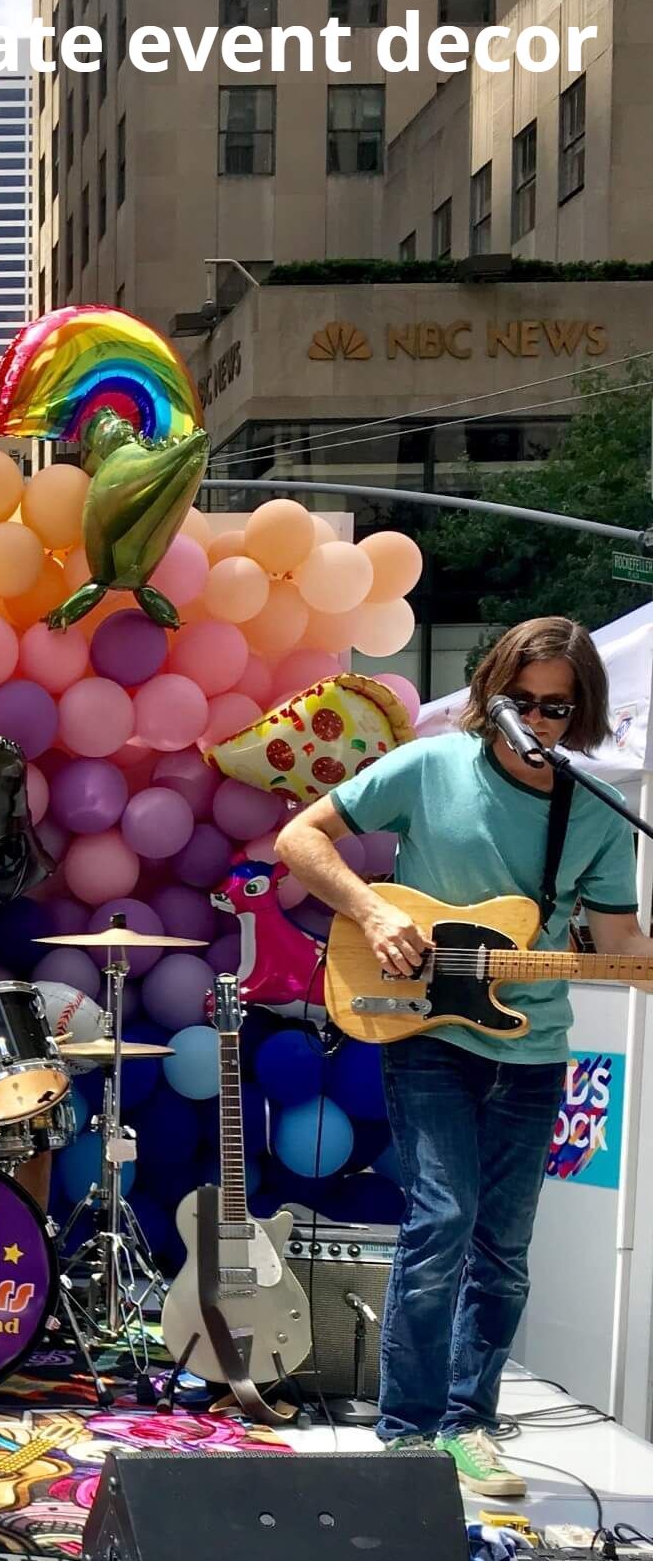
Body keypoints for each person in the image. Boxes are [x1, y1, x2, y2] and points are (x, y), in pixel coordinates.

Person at [276, 616, 653, 1497]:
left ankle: (470, 1426)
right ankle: (408, 1432)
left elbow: (619, 940)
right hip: (429, 1033)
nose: (537, 722)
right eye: (519, 702)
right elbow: (300, 839)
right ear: (492, 696)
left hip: (534, 1047)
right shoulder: (432, 765)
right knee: (441, 1219)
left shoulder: (594, 808)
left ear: (581, 712)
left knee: (504, 1246)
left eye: (555, 707)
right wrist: (373, 914)